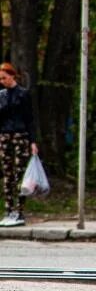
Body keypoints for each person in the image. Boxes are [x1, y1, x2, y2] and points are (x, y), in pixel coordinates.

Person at [0, 63, 38, 226]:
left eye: (4, 77)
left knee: (20, 173)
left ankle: (19, 211)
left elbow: (29, 119)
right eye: (0, 79)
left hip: (20, 135)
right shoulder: (1, 95)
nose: (2, 81)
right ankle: (8, 210)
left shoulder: (23, 94)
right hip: (4, 135)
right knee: (7, 173)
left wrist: (33, 141)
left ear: (12, 76)